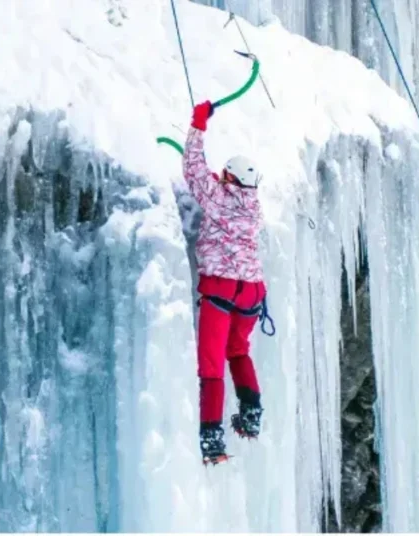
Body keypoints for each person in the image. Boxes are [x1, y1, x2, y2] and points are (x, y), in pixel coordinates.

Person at [183, 100, 266, 465]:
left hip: (220, 288)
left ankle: (212, 439)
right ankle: (251, 413)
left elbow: (193, 169)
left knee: (211, 365)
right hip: (251, 292)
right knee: (239, 351)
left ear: (229, 178)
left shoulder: (217, 199)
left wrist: (198, 123)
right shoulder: (254, 207)